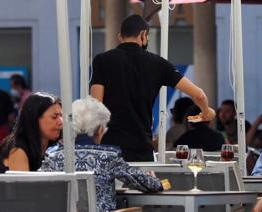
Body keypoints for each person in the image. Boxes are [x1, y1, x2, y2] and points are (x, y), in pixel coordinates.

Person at [90, 14, 215, 162]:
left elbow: (95, 105)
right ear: (143, 35)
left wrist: (97, 135)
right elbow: (199, 95)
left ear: (119, 37)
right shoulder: (159, 64)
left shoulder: (102, 60)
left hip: (110, 148)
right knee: (145, 184)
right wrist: (207, 111)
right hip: (141, 148)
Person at [0, 92, 63, 173]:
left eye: (61, 116)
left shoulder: (56, 146)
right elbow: (22, 185)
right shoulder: (17, 150)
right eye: (54, 117)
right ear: (34, 119)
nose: (60, 121)